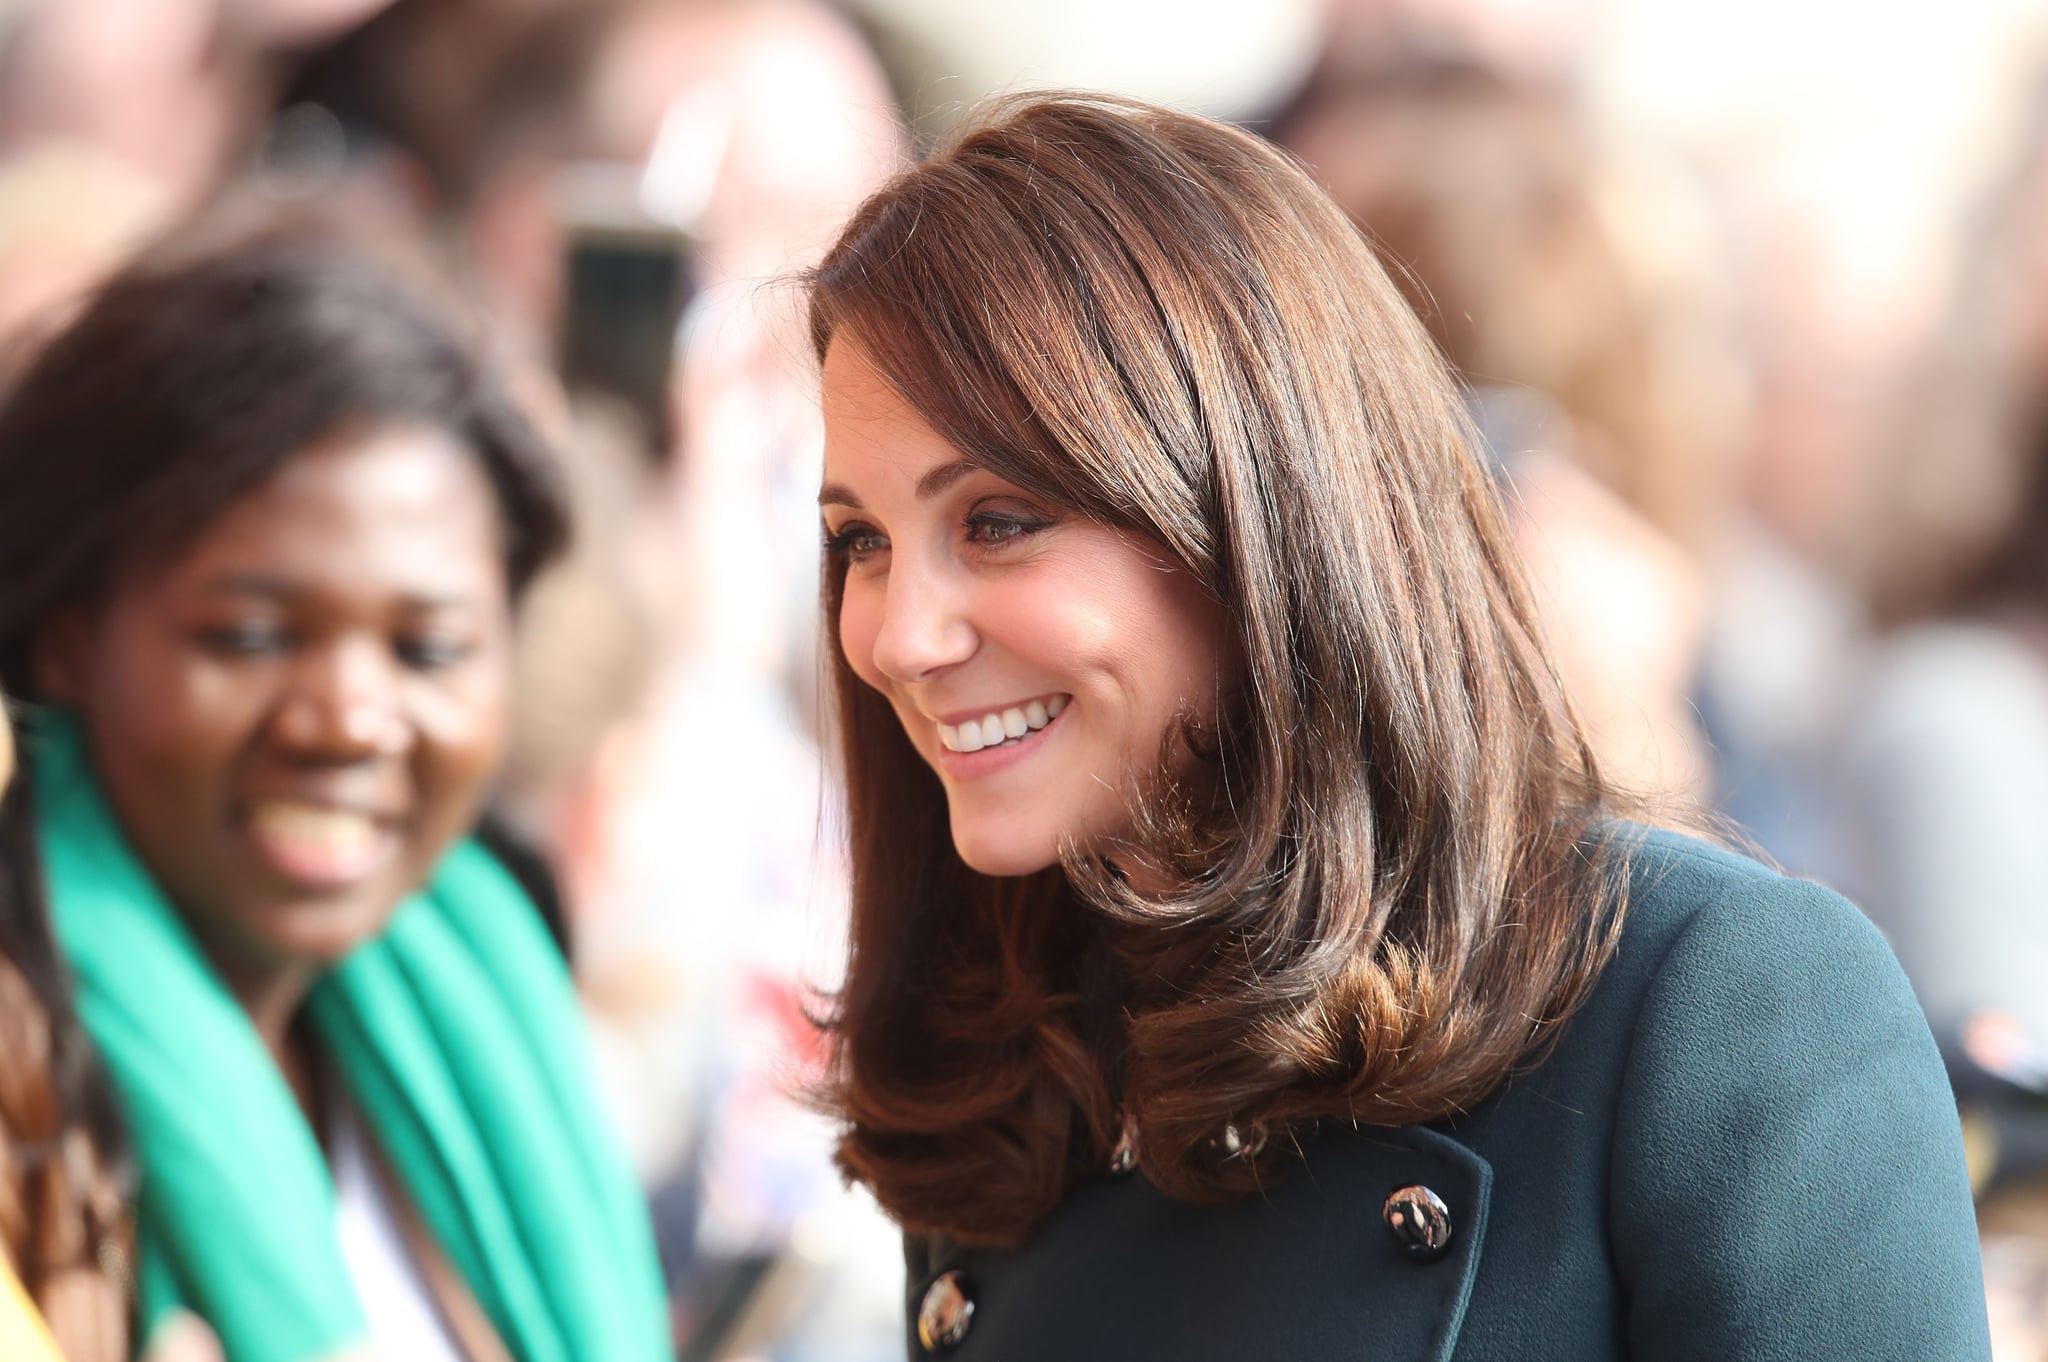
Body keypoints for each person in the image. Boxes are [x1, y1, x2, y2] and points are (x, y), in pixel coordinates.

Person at [805, 93, 1990, 1359]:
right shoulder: (1022, 1060)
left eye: (996, 521)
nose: (896, 636)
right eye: (860, 541)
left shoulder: (1710, 1000)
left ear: (1254, 514)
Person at [0, 206, 673, 1362]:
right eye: (253, 637)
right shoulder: (22, 1087)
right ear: (71, 637)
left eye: (428, 651)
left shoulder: (488, 978)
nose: (351, 722)